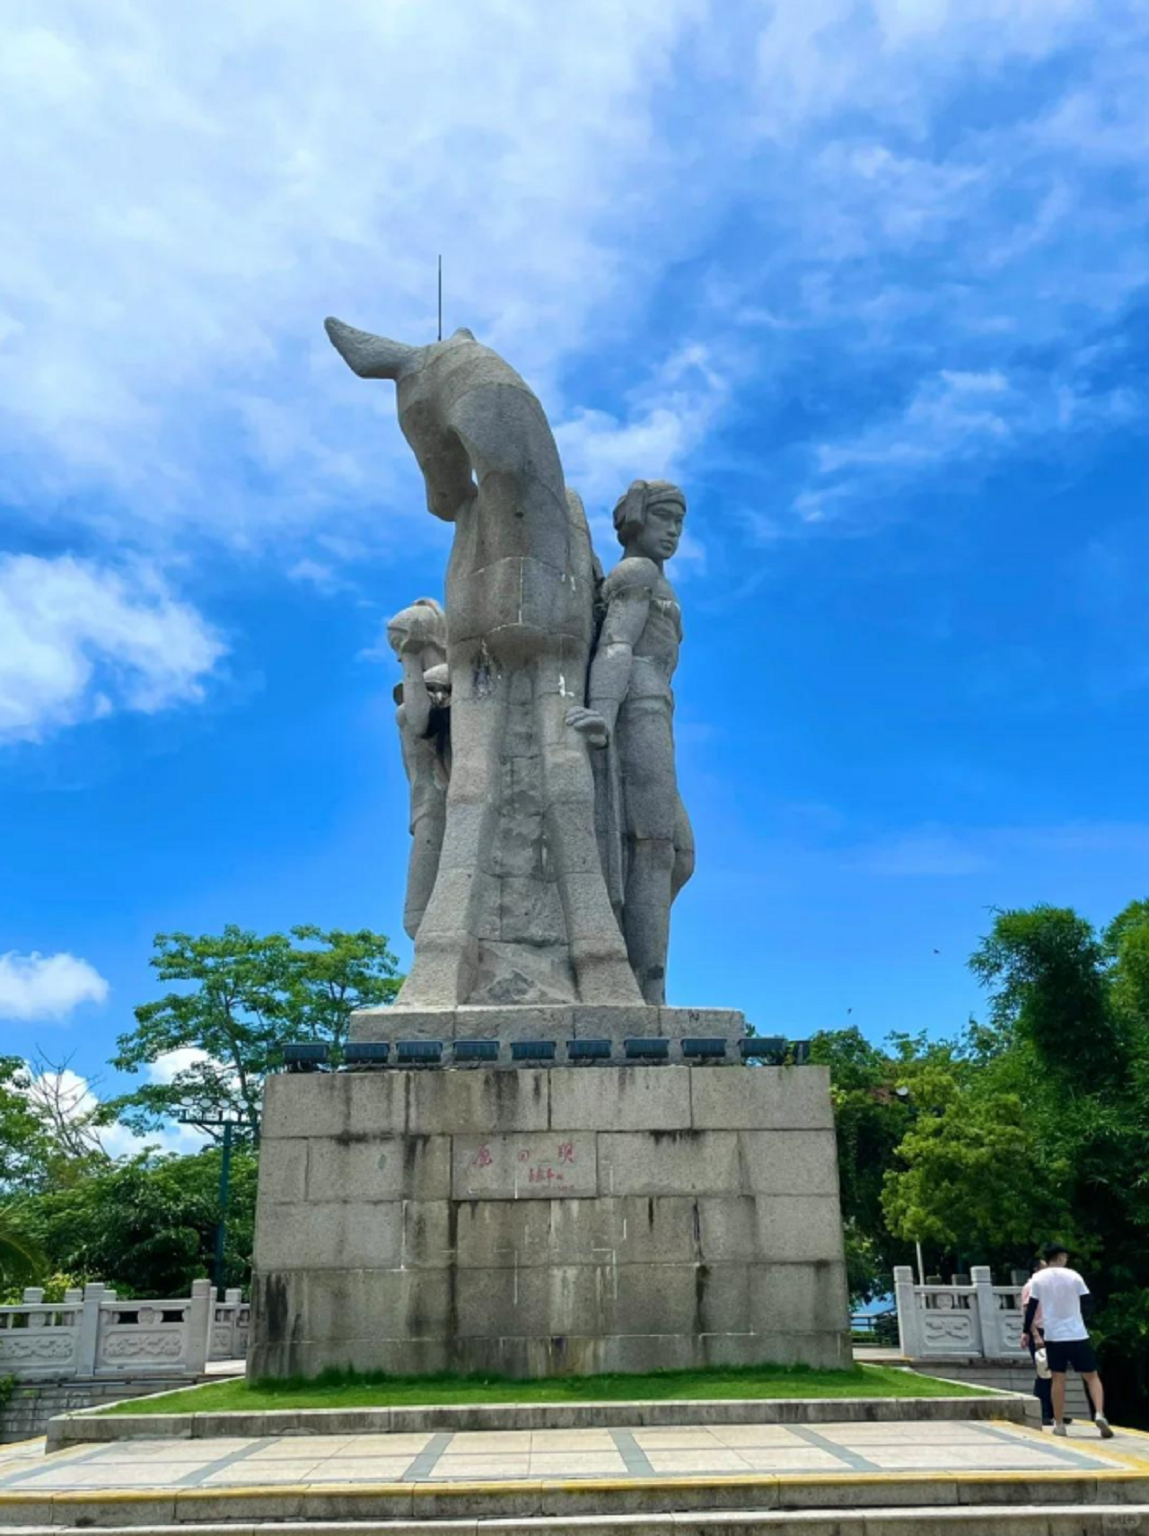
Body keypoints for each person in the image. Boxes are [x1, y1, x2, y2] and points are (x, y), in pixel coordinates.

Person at [565, 480, 695, 1004]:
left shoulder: (656, 579)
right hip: (638, 706)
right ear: (637, 518)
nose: (673, 531)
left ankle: (639, 966)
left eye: (679, 523)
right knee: (655, 846)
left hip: (657, 707)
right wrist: (603, 713)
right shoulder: (636, 573)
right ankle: (646, 990)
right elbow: (617, 642)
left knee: (677, 854)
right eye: (664, 518)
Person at [1022, 1242, 1112, 1438]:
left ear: (1048, 1258)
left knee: (1058, 1379)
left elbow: (1032, 1306)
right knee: (1092, 1377)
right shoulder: (1074, 1276)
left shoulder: (1037, 1278)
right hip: (1077, 1333)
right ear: (1061, 1257)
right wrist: (1081, 1318)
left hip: (1053, 1335)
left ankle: (1060, 1423)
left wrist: (1026, 1332)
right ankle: (1099, 1412)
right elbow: (1088, 1301)